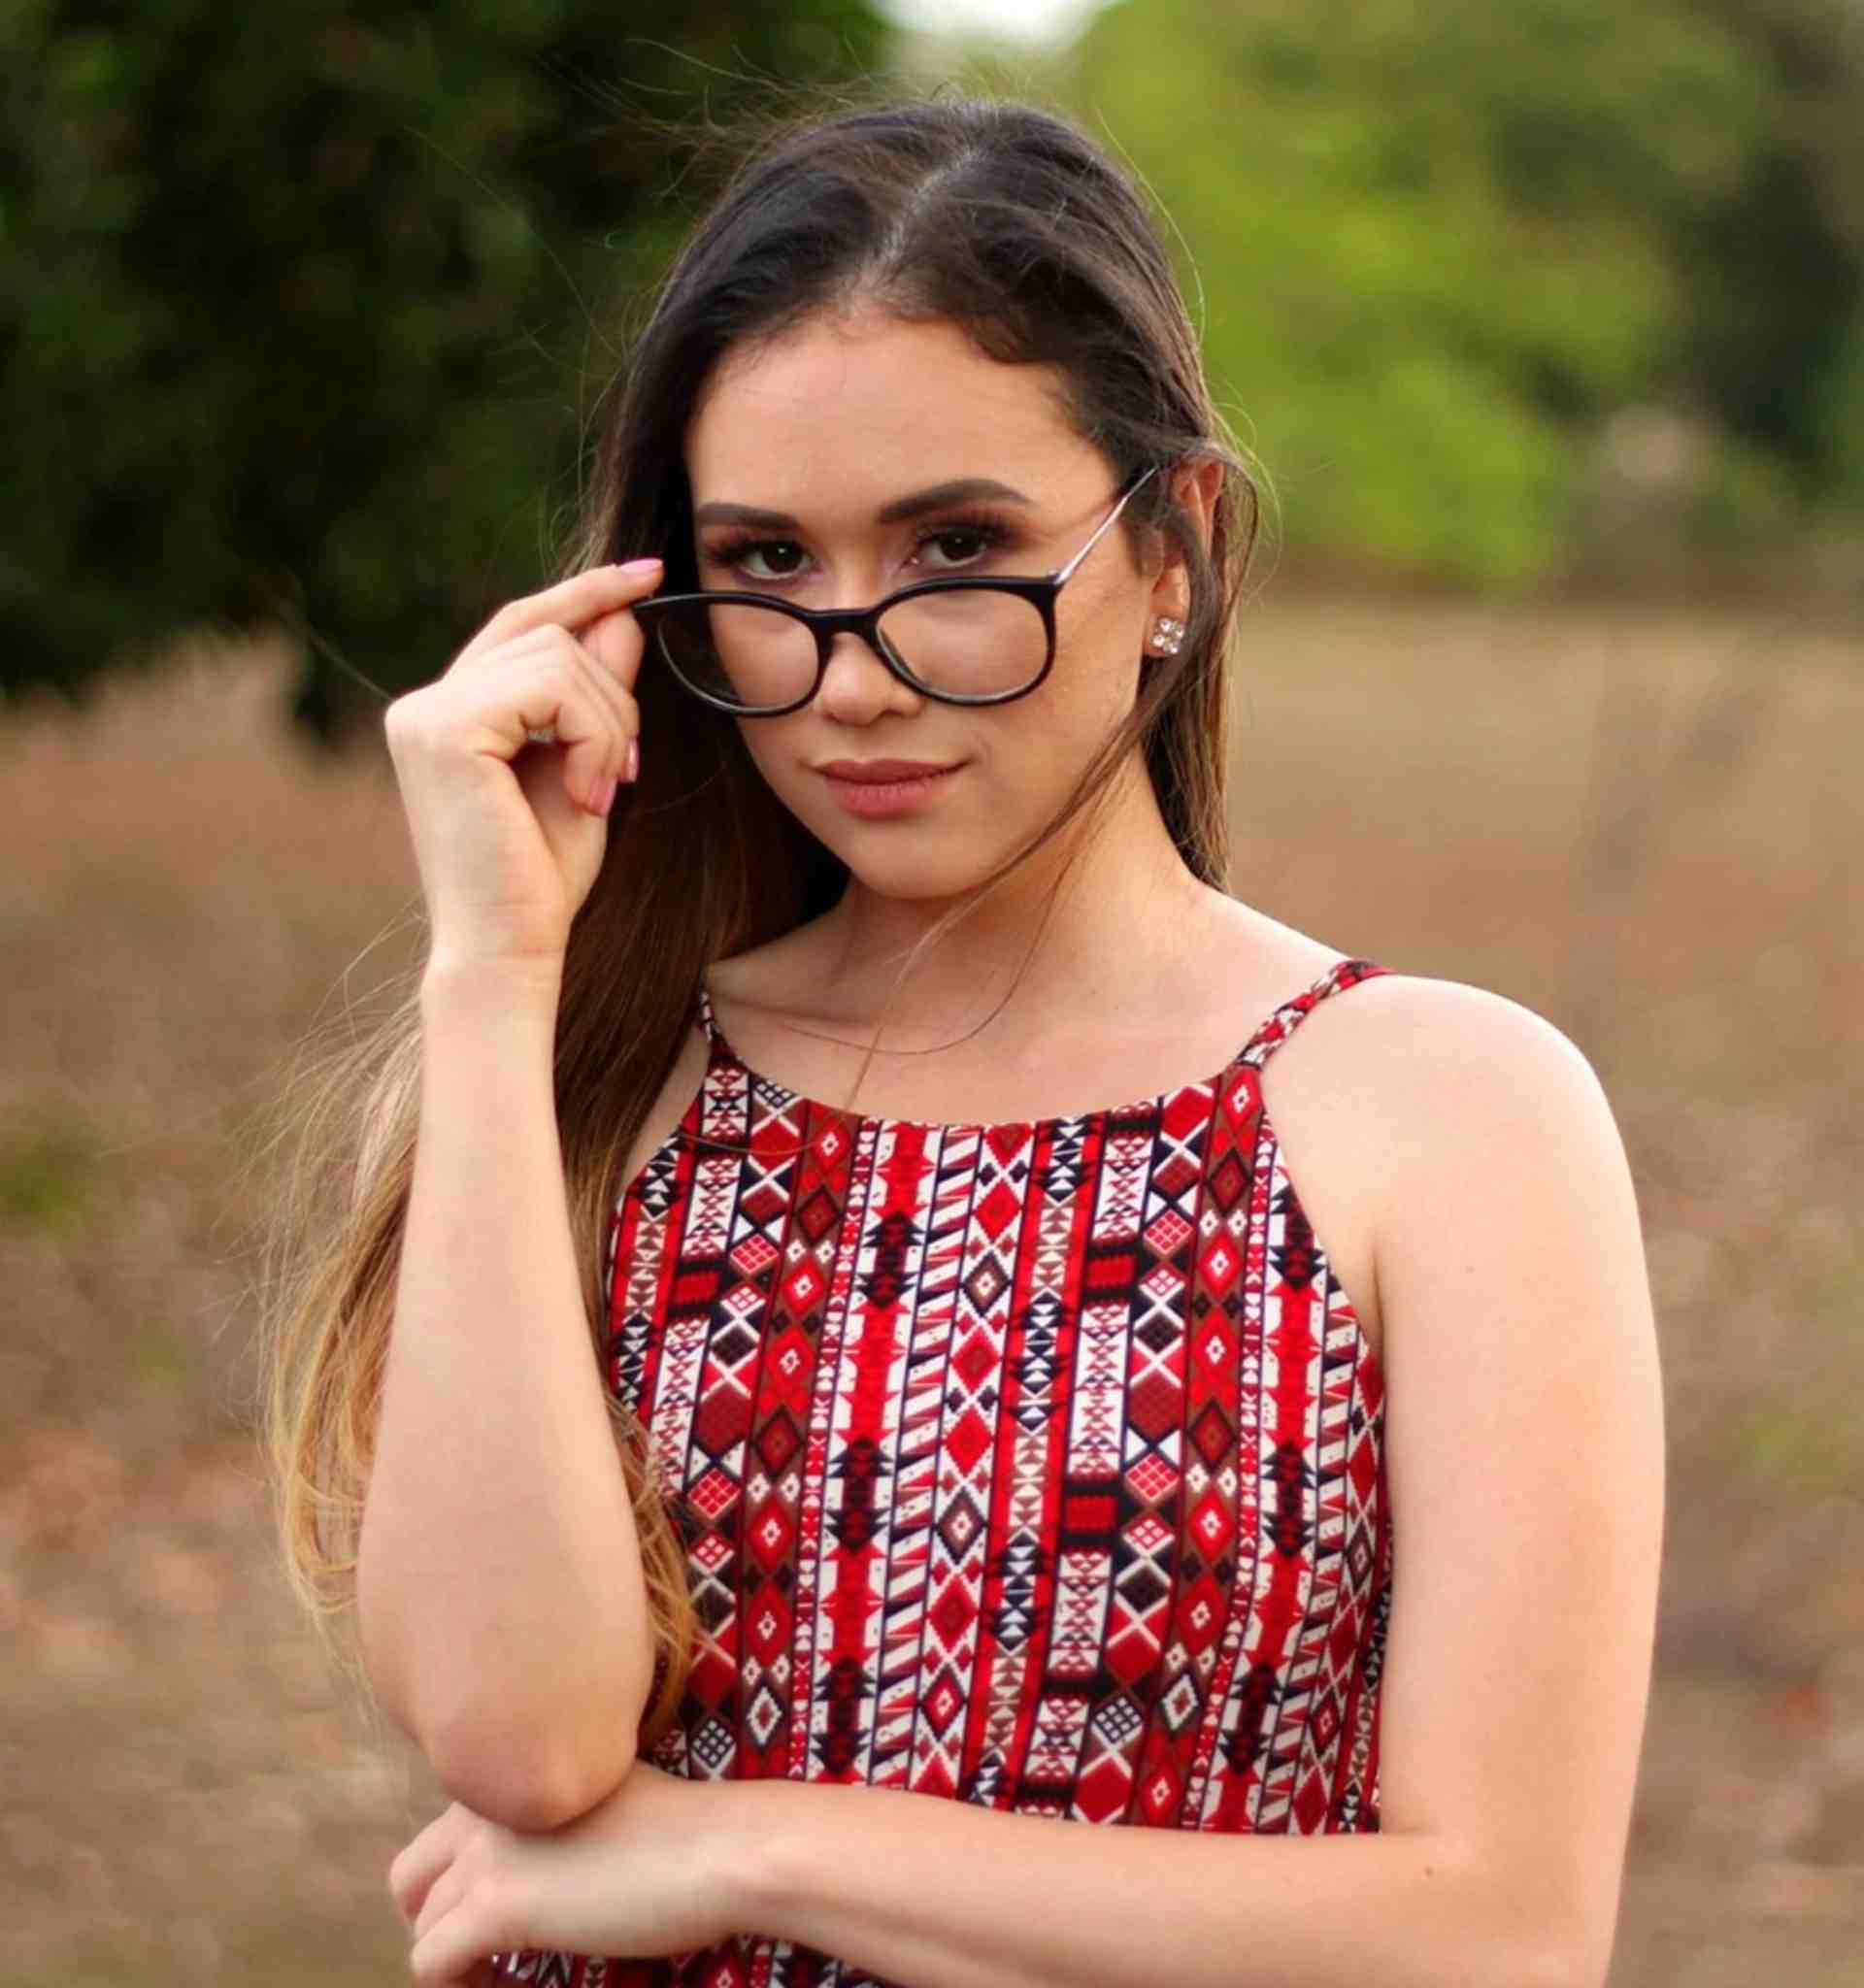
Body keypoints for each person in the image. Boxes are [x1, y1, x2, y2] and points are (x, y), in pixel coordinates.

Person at [257, 90, 1664, 1988]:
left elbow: (1499, 1939)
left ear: (1175, 550)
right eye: (769, 564)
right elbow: (521, 1747)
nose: (854, 674)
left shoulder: (1444, 1113)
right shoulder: (581, 1078)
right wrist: (496, 975)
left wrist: (750, 1848)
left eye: (956, 545)